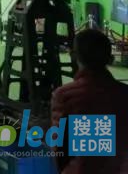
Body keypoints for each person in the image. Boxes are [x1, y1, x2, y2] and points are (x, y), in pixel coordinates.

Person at [51, 29, 128, 173]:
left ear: (73, 56)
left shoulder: (67, 96)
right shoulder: (124, 93)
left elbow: (60, 152)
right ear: (110, 59)